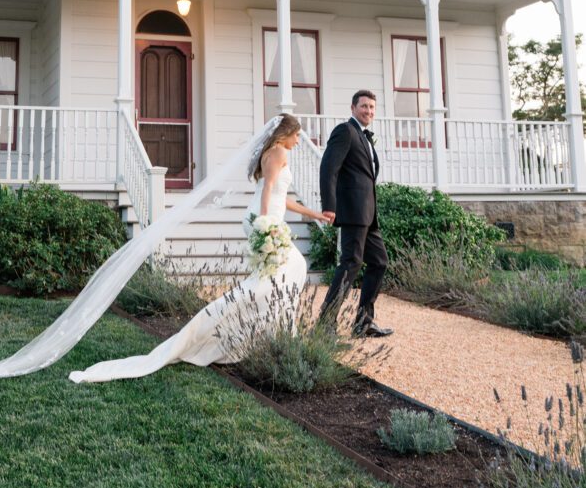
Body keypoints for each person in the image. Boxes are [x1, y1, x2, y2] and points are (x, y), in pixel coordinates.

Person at [68, 114, 333, 383]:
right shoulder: (277, 152)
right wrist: (266, 224)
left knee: (277, 276)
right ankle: (234, 326)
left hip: (265, 219)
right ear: (285, 133)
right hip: (265, 221)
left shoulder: (273, 151)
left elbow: (281, 197)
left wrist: (315, 214)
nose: (299, 140)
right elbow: (269, 193)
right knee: (286, 271)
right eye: (297, 135)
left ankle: (267, 333)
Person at [319, 90, 393, 338]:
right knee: (350, 264)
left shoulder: (365, 137)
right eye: (364, 106)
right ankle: (325, 324)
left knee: (379, 262)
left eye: (372, 107)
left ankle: (363, 322)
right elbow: (329, 168)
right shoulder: (345, 131)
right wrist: (329, 205)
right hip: (352, 211)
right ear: (353, 108)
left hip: (369, 214)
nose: (369, 111)